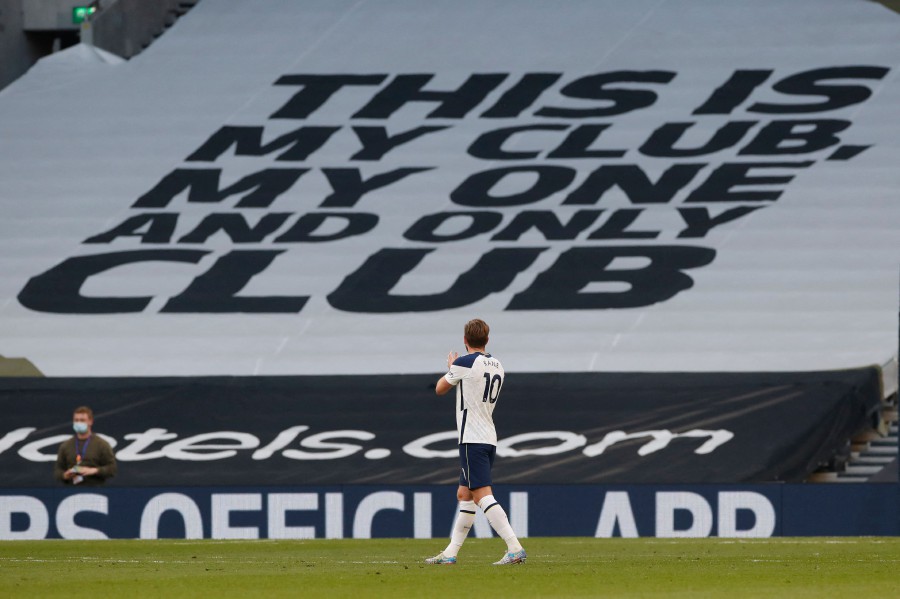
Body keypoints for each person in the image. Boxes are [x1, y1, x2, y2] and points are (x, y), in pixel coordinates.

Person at [425, 319, 526, 566]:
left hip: (472, 437)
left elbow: (440, 389)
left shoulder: (464, 363)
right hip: (488, 436)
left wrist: (451, 368)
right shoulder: (498, 365)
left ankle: (514, 547)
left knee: (482, 495)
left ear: (465, 340)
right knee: (465, 494)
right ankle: (450, 553)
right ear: (487, 339)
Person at [55, 406, 117, 486]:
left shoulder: (102, 444)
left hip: (95, 489)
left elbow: (112, 469)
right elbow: (58, 470)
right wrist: (65, 475)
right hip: (71, 490)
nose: (78, 423)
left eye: (82, 420)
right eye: (76, 420)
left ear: (90, 421)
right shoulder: (66, 445)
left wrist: (94, 471)